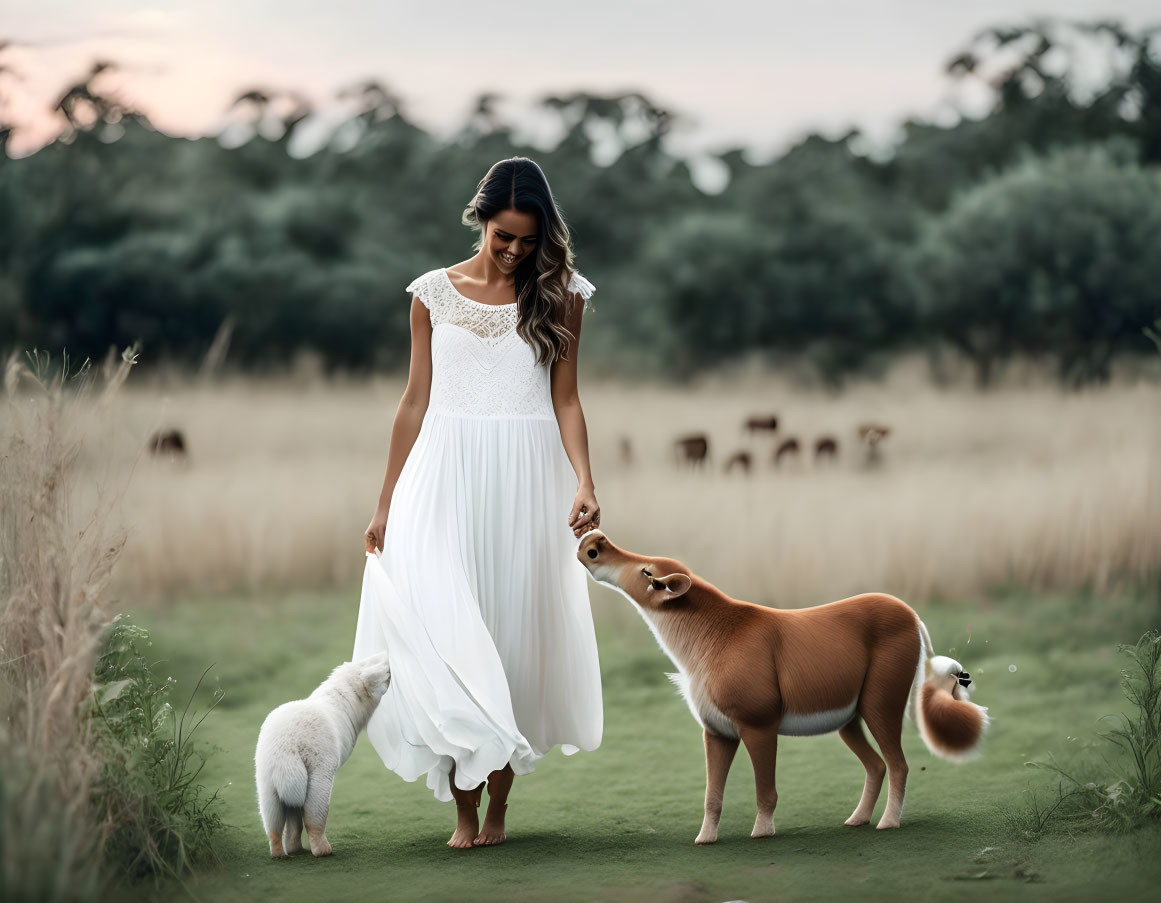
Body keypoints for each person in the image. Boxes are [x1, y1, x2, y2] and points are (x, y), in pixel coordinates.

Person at [352, 157, 604, 849]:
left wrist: (585, 481)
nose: (516, 250)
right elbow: (412, 403)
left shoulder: (562, 295)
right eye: (504, 237)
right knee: (449, 634)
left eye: (528, 239)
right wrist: (384, 504)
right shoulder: (432, 293)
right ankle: (461, 815)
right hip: (441, 476)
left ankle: (495, 815)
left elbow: (567, 398)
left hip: (528, 478)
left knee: (509, 640)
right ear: (481, 220)